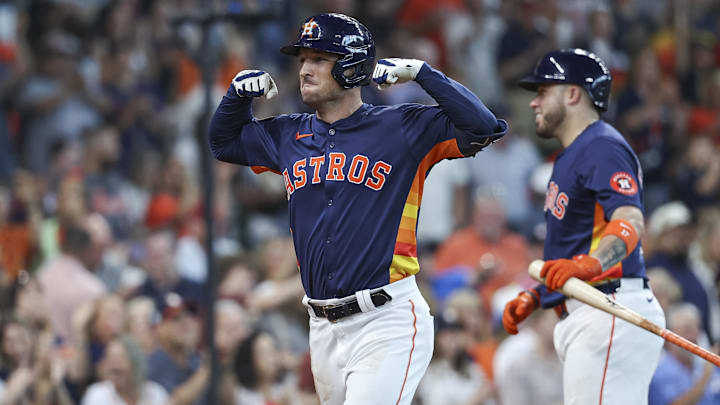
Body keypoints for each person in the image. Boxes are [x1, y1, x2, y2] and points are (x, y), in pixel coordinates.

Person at [208, 12, 507, 405]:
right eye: (302, 60)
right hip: (322, 325)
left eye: (318, 59)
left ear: (351, 66)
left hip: (387, 317)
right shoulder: (287, 134)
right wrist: (235, 97)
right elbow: (223, 143)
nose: (304, 70)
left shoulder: (402, 127)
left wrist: (423, 73)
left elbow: (484, 127)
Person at [502, 48, 665, 405]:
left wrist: (590, 266)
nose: (534, 102)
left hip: (608, 306)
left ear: (573, 93)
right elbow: (572, 245)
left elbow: (630, 218)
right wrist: (539, 294)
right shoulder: (572, 154)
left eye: (543, 91)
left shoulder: (600, 145)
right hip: (591, 310)